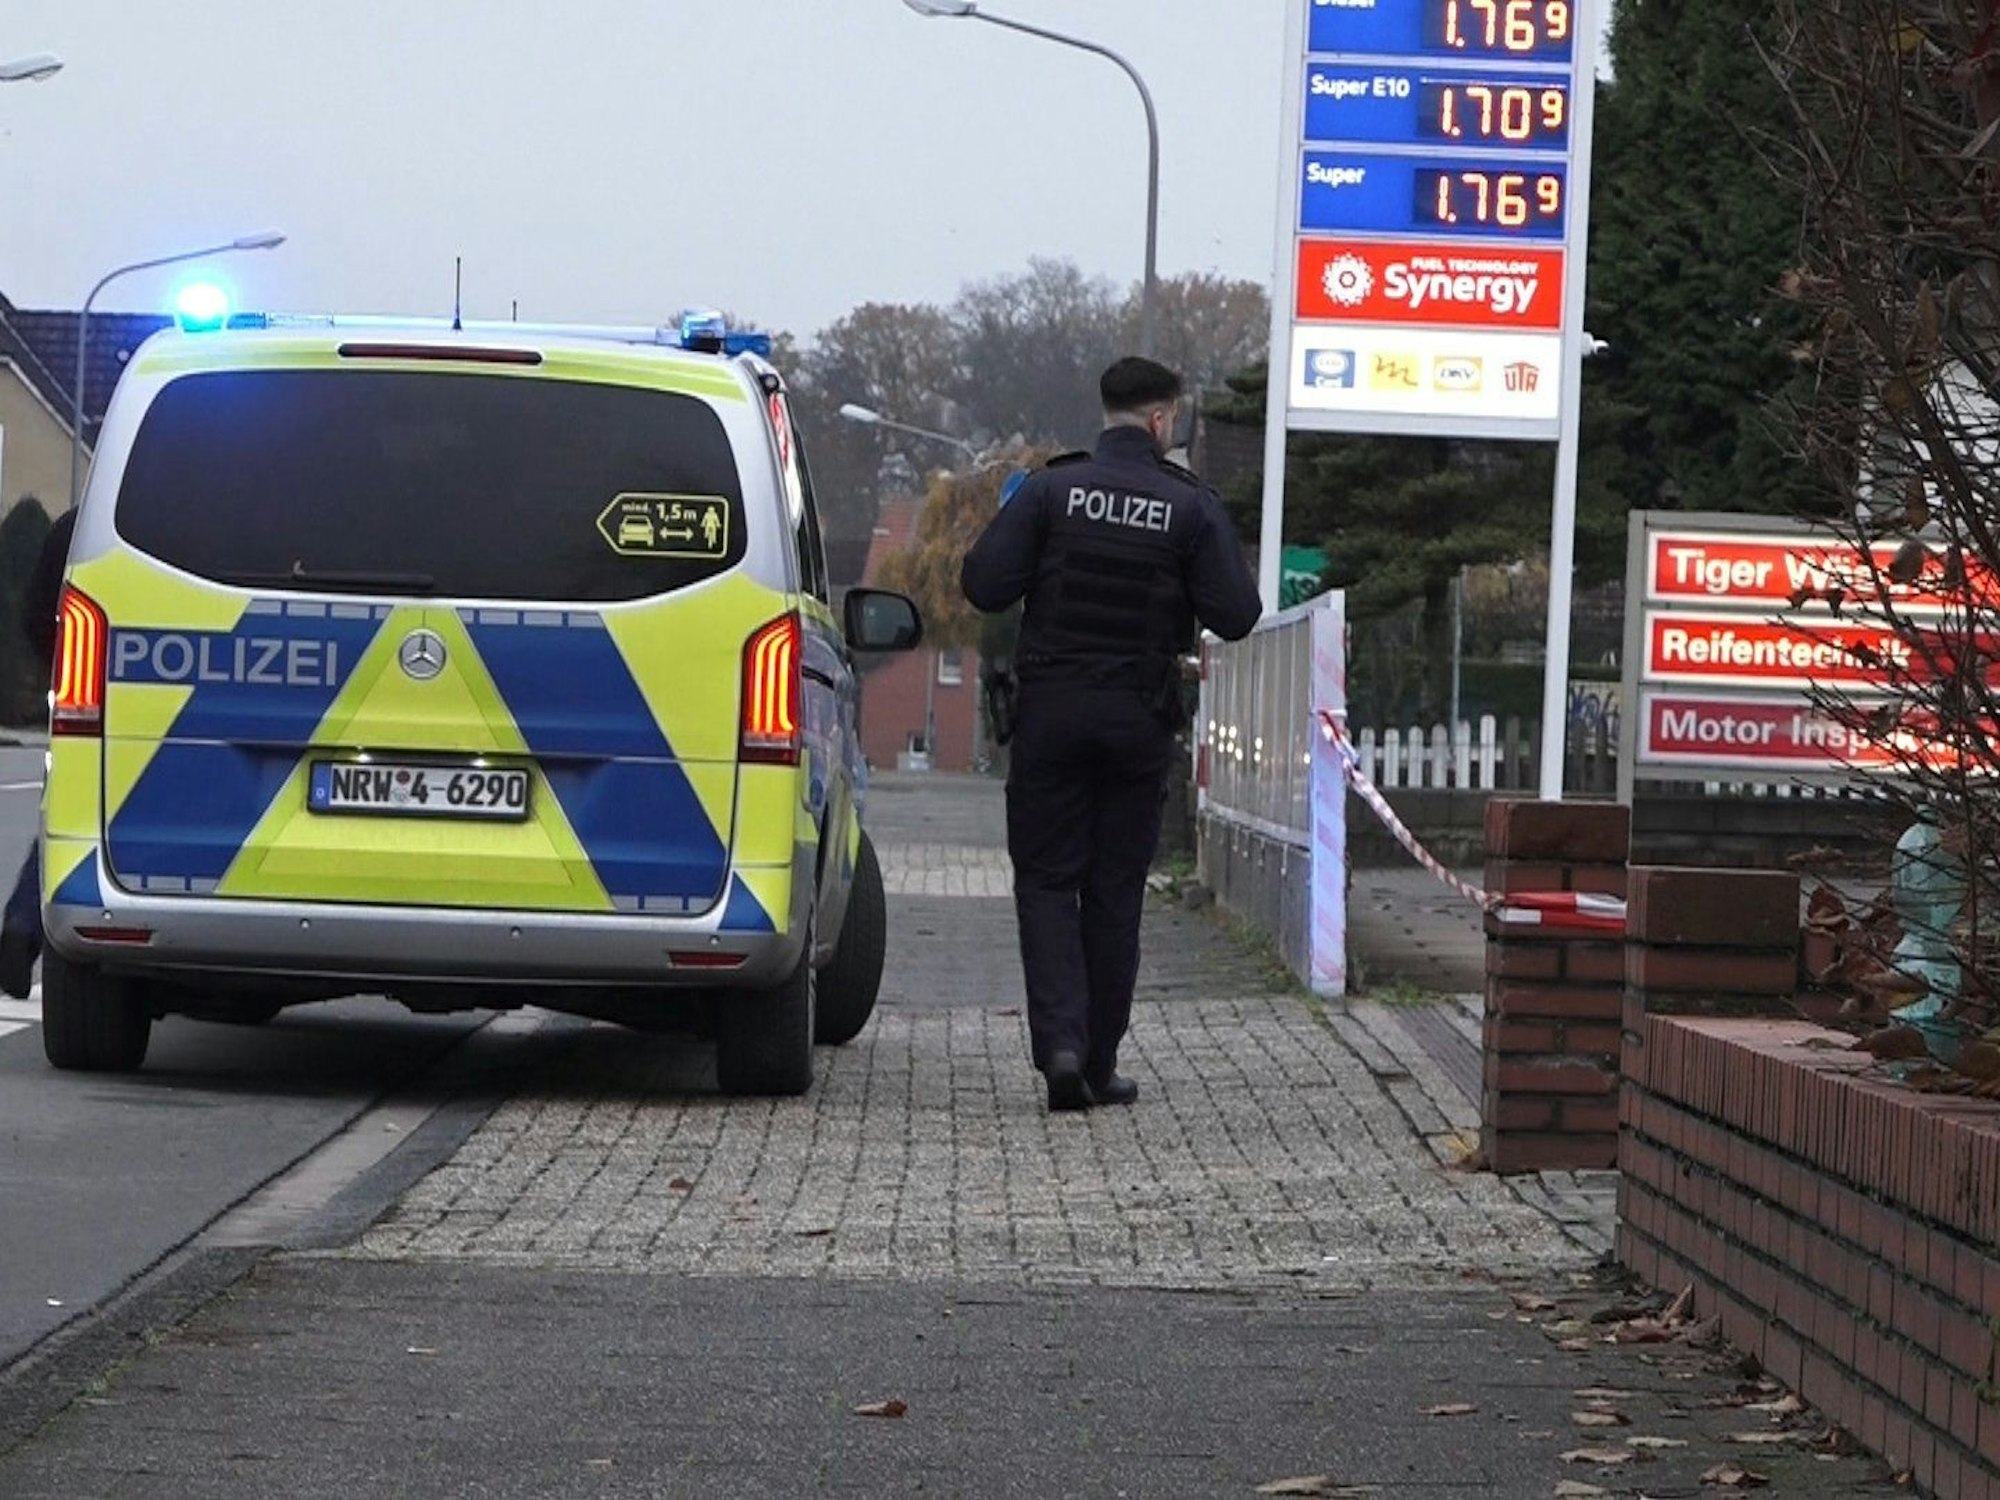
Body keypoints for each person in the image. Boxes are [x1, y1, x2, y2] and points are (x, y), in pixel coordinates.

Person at [960, 357, 1262, 1112]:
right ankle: (1097, 1063)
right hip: (1137, 722)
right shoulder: (1188, 506)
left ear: (1108, 414)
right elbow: (1237, 614)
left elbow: (984, 584)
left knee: (1046, 880)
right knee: (1115, 890)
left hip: (1052, 713)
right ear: (1162, 421)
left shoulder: (1050, 490)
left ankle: (1060, 1046)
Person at [1, 505, 78, 999]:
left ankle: (23, 924)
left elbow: (33, 615)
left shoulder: (73, 527)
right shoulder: (184, 519)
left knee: (66, 823)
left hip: (81, 701)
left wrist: (61, 663)